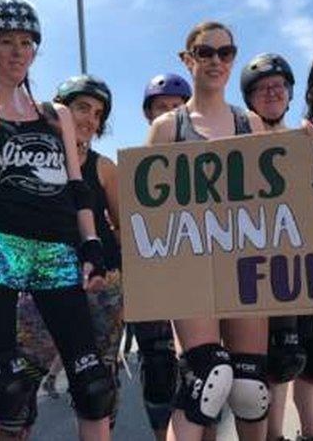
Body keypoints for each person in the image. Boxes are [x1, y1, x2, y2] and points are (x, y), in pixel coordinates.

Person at [0, 0, 115, 441]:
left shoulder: (55, 115)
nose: (17, 51)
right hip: (0, 248)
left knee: (93, 382)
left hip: (57, 249)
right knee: (2, 384)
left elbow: (76, 186)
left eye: (26, 42)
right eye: (5, 41)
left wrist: (91, 244)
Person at [146, 21, 269, 441]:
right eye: (205, 52)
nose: (216, 61)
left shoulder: (250, 123)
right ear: (188, 59)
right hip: (189, 267)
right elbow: (149, 211)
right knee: (207, 378)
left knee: (250, 388)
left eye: (226, 52)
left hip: (245, 264)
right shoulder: (167, 128)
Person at [2, 75, 124, 438]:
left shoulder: (104, 168)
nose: (90, 119)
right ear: (60, 110)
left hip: (100, 287)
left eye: (98, 113)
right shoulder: (28, 157)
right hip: (40, 281)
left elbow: (127, 231)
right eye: (82, 107)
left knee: (96, 389)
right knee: (17, 389)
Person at [239, 53, 313, 441]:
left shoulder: (309, 137)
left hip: (310, 266)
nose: (271, 94)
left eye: (278, 87)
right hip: (260, 269)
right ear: (250, 99)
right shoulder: (235, 147)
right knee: (273, 366)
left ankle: (312, 434)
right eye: (261, 89)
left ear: (290, 94)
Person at [131, 72, 192, 441]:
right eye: (161, 109)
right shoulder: (138, 170)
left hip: (196, 278)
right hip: (153, 279)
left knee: (203, 373)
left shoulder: (208, 166)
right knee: (158, 369)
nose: (168, 114)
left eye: (176, 108)